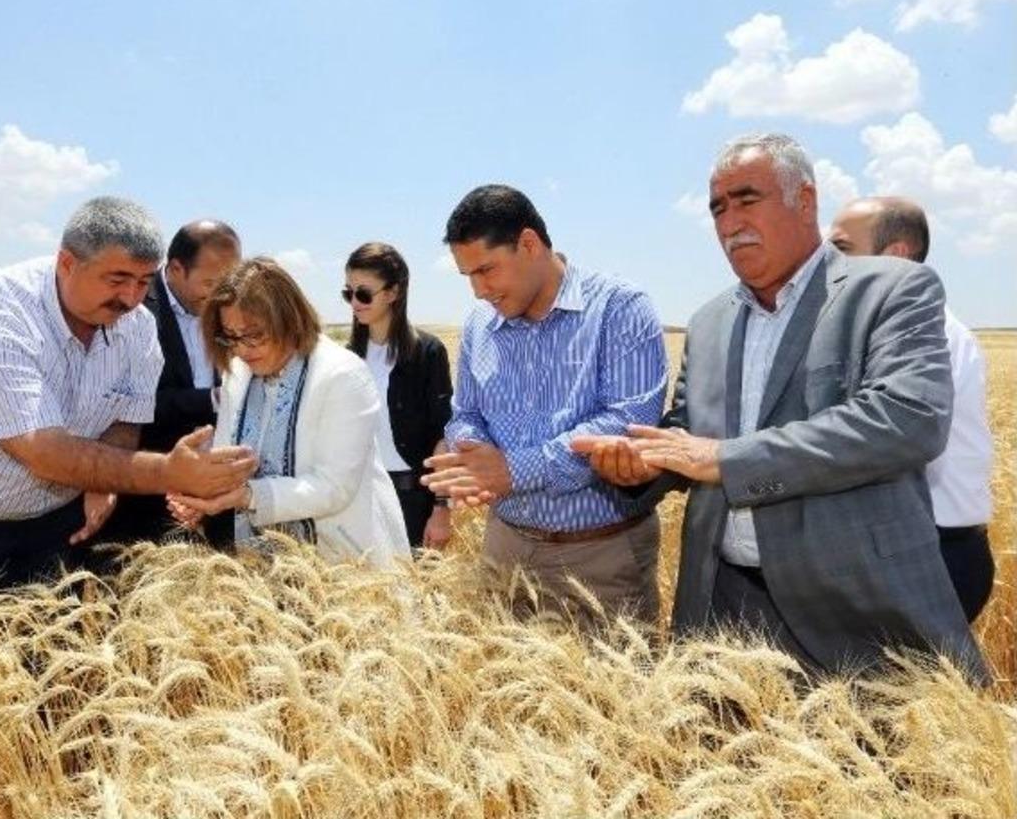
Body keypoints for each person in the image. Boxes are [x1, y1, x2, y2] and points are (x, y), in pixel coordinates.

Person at [573, 134, 988, 682]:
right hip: (724, 608)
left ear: (805, 200)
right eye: (718, 208)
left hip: (854, 615)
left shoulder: (891, 289)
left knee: (872, 765)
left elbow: (906, 420)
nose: (729, 222)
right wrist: (639, 465)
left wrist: (727, 460)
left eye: (747, 199)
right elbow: (689, 433)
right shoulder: (709, 321)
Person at [0, 196, 257, 591]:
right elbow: (43, 450)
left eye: (142, 281)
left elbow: (126, 416)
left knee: (46, 647)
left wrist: (102, 483)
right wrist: (168, 472)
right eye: (117, 279)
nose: (132, 298)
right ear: (67, 263)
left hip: (51, 528)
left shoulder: (136, 328)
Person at [422, 184, 669, 626]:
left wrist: (512, 470)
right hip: (504, 549)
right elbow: (466, 414)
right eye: (469, 277)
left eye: (487, 270)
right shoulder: (480, 324)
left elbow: (626, 422)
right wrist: (475, 452)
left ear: (529, 244)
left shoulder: (619, 308)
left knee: (608, 695)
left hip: (600, 559)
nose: (479, 291)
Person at [167, 258, 410, 568]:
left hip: (344, 562)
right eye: (230, 336)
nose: (241, 349)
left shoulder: (342, 375)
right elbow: (230, 458)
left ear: (289, 320)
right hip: (262, 566)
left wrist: (247, 496)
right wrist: (204, 494)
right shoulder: (238, 374)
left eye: (254, 335)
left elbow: (335, 487)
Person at [829, 196, 995, 622]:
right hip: (917, 547)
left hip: (931, 555)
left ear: (897, 256)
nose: (828, 262)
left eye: (842, 248)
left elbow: (884, 439)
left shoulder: (927, 335)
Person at [92, 219, 242, 552]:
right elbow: (120, 404)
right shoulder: (130, 312)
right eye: (212, 282)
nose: (224, 293)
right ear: (175, 268)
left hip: (215, 494)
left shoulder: (229, 308)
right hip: (142, 498)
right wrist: (212, 400)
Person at [343, 242, 453, 548]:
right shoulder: (346, 358)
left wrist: (441, 508)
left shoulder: (428, 353)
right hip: (359, 499)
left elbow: (443, 434)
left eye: (363, 293)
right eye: (348, 293)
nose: (354, 302)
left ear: (393, 293)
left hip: (413, 501)